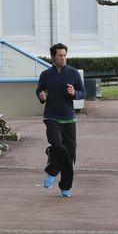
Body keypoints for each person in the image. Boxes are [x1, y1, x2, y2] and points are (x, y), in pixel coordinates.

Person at [36, 43, 86, 197]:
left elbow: (83, 92)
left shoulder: (73, 73)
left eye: (65, 55)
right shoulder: (46, 74)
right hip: (51, 117)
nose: (63, 58)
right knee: (57, 145)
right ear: (53, 57)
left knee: (69, 155)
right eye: (60, 55)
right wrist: (41, 96)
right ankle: (52, 172)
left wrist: (74, 93)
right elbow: (39, 90)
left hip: (69, 119)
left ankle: (65, 187)